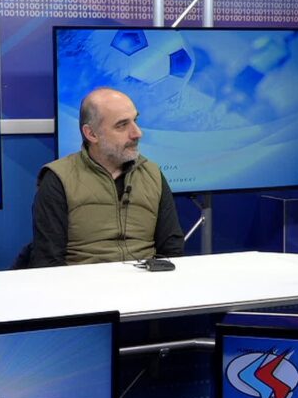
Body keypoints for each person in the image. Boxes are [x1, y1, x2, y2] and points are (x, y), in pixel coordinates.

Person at [30, 88, 184, 267]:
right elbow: (48, 260)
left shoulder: (152, 173)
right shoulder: (58, 178)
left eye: (135, 120)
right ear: (91, 134)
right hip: (84, 280)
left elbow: (172, 249)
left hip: (145, 279)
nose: (137, 133)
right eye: (122, 125)